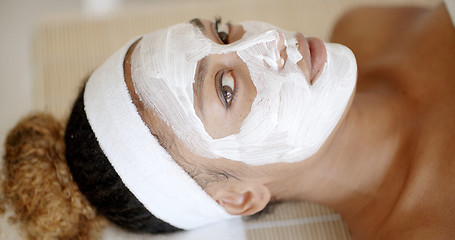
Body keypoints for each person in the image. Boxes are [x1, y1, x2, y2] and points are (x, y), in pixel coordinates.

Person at [3, 2, 454, 240]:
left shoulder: (366, 29)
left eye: (221, 32)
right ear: (240, 198)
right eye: (226, 89)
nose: (271, 41)